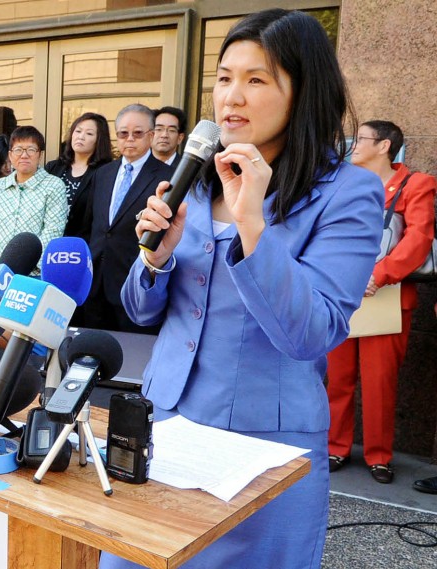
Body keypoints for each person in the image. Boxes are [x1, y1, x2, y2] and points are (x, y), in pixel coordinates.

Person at [110, 10, 384, 569]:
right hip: (164, 425)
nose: (232, 96)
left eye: (256, 80)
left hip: (263, 448)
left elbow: (312, 334)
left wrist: (253, 224)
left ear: (303, 90)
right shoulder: (197, 179)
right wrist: (156, 259)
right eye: (224, 77)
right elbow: (141, 312)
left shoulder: (348, 193)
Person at [326, 120, 436, 484]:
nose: (353, 145)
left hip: (387, 299)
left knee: (380, 383)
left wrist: (379, 275)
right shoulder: (344, 181)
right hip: (344, 295)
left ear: (385, 146)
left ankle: (379, 456)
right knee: (337, 378)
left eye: (361, 139)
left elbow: (418, 238)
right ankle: (335, 447)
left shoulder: (416, 184)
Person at [81, 103, 171, 333]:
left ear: (151, 135)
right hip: (94, 285)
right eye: (123, 133)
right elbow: (90, 226)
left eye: (138, 133)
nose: (129, 139)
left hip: (134, 284)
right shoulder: (102, 174)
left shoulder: (167, 178)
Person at [0, 126, 67, 275]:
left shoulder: (54, 186)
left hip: (33, 275)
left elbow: (53, 231)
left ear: (40, 155)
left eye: (31, 149)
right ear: (10, 155)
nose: (24, 155)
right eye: (18, 150)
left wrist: (25, 266)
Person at [44, 112, 113, 240]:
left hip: (84, 245)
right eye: (78, 131)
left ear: (99, 140)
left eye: (89, 133)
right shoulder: (53, 168)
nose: (81, 137)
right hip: (50, 243)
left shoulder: (106, 173)